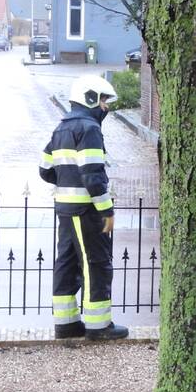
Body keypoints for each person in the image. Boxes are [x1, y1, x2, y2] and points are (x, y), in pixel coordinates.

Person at [39, 75, 128, 341]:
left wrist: (67, 182)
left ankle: (66, 325)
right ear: (89, 98)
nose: (106, 107)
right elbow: (93, 175)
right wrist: (107, 210)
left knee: (66, 263)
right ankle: (99, 326)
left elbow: (45, 169)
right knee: (95, 263)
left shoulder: (61, 128)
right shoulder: (89, 129)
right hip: (86, 211)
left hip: (65, 209)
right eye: (103, 100)